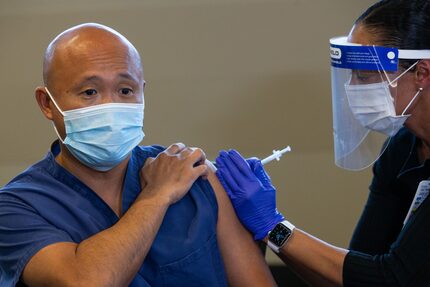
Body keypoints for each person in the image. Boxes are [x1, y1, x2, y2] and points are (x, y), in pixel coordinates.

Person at [0, 23, 277, 287]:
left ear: (142, 93)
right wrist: (156, 196)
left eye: (125, 90)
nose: (111, 106)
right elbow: (85, 281)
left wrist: (275, 229)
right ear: (47, 103)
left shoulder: (192, 176)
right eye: (89, 92)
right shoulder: (18, 206)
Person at [215, 1, 430, 286]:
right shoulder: (402, 148)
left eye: (364, 75)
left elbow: (391, 279)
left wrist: (273, 226)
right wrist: (272, 227)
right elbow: (352, 273)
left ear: (421, 73)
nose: (353, 88)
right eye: (351, 75)